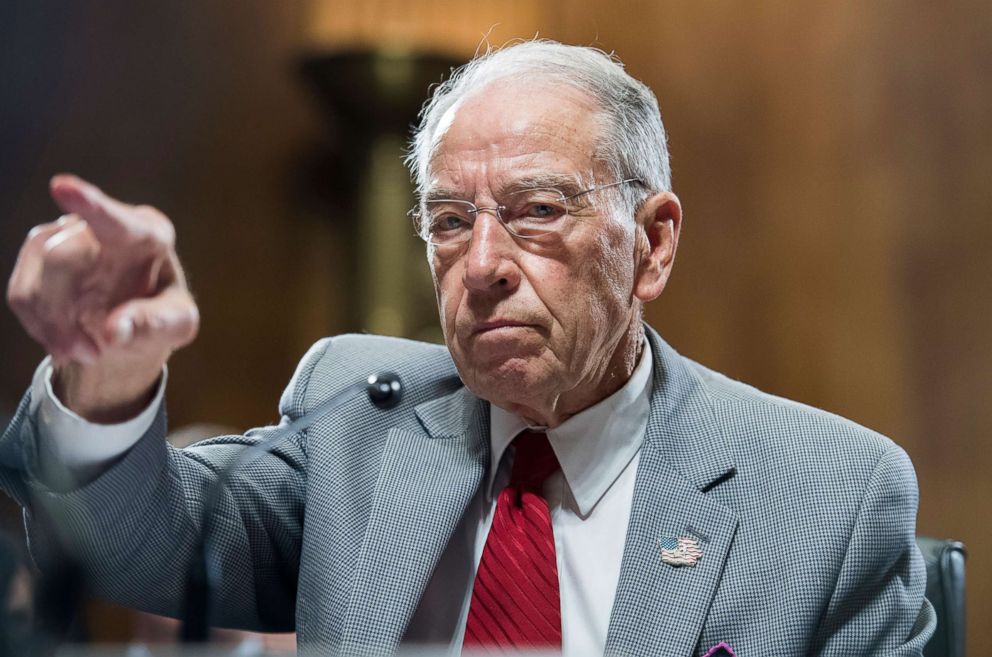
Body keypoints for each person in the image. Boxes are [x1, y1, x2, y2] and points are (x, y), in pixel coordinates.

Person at [0, 40, 934, 656]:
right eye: (450, 220)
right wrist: (108, 386)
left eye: (537, 211)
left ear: (651, 243)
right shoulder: (359, 423)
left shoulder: (829, 497)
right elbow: (142, 550)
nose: (481, 264)